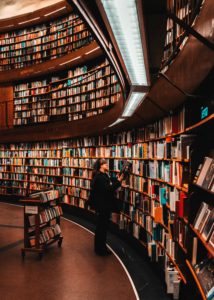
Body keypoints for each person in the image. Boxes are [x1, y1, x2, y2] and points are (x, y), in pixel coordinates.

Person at [90, 158, 123, 256]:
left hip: (103, 205)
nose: (107, 165)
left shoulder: (103, 175)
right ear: (101, 166)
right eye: (105, 164)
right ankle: (101, 249)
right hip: (103, 206)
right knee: (102, 227)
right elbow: (108, 189)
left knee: (102, 227)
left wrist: (116, 180)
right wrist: (119, 181)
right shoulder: (100, 177)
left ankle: (100, 247)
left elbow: (108, 185)